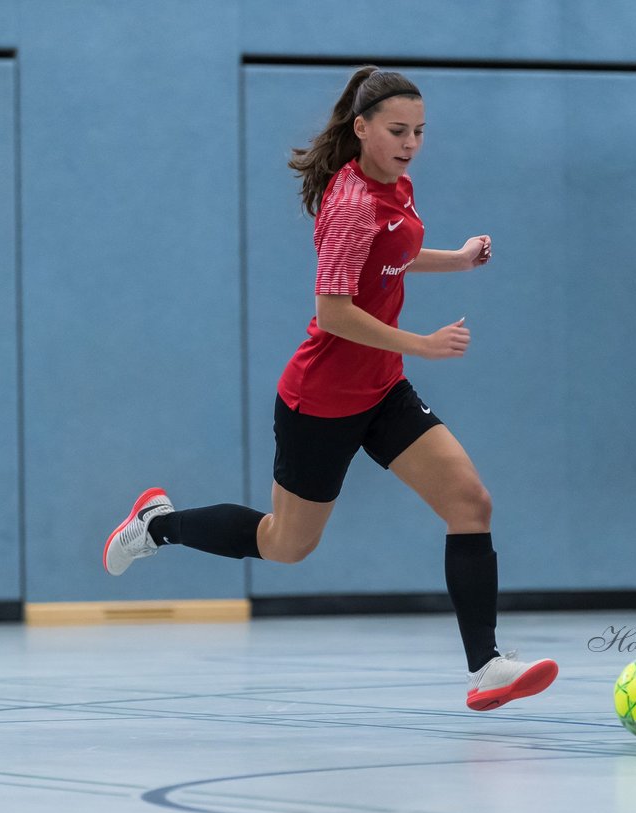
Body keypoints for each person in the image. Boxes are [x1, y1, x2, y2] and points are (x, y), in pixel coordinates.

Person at [104, 67, 557, 711]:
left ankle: (485, 666)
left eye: (420, 132)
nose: (410, 143)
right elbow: (334, 312)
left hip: (383, 390)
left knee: (470, 503)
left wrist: (454, 258)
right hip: (319, 401)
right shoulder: (349, 204)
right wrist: (423, 343)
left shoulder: (396, 184)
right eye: (398, 131)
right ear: (362, 127)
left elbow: (393, 254)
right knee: (284, 545)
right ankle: (160, 524)